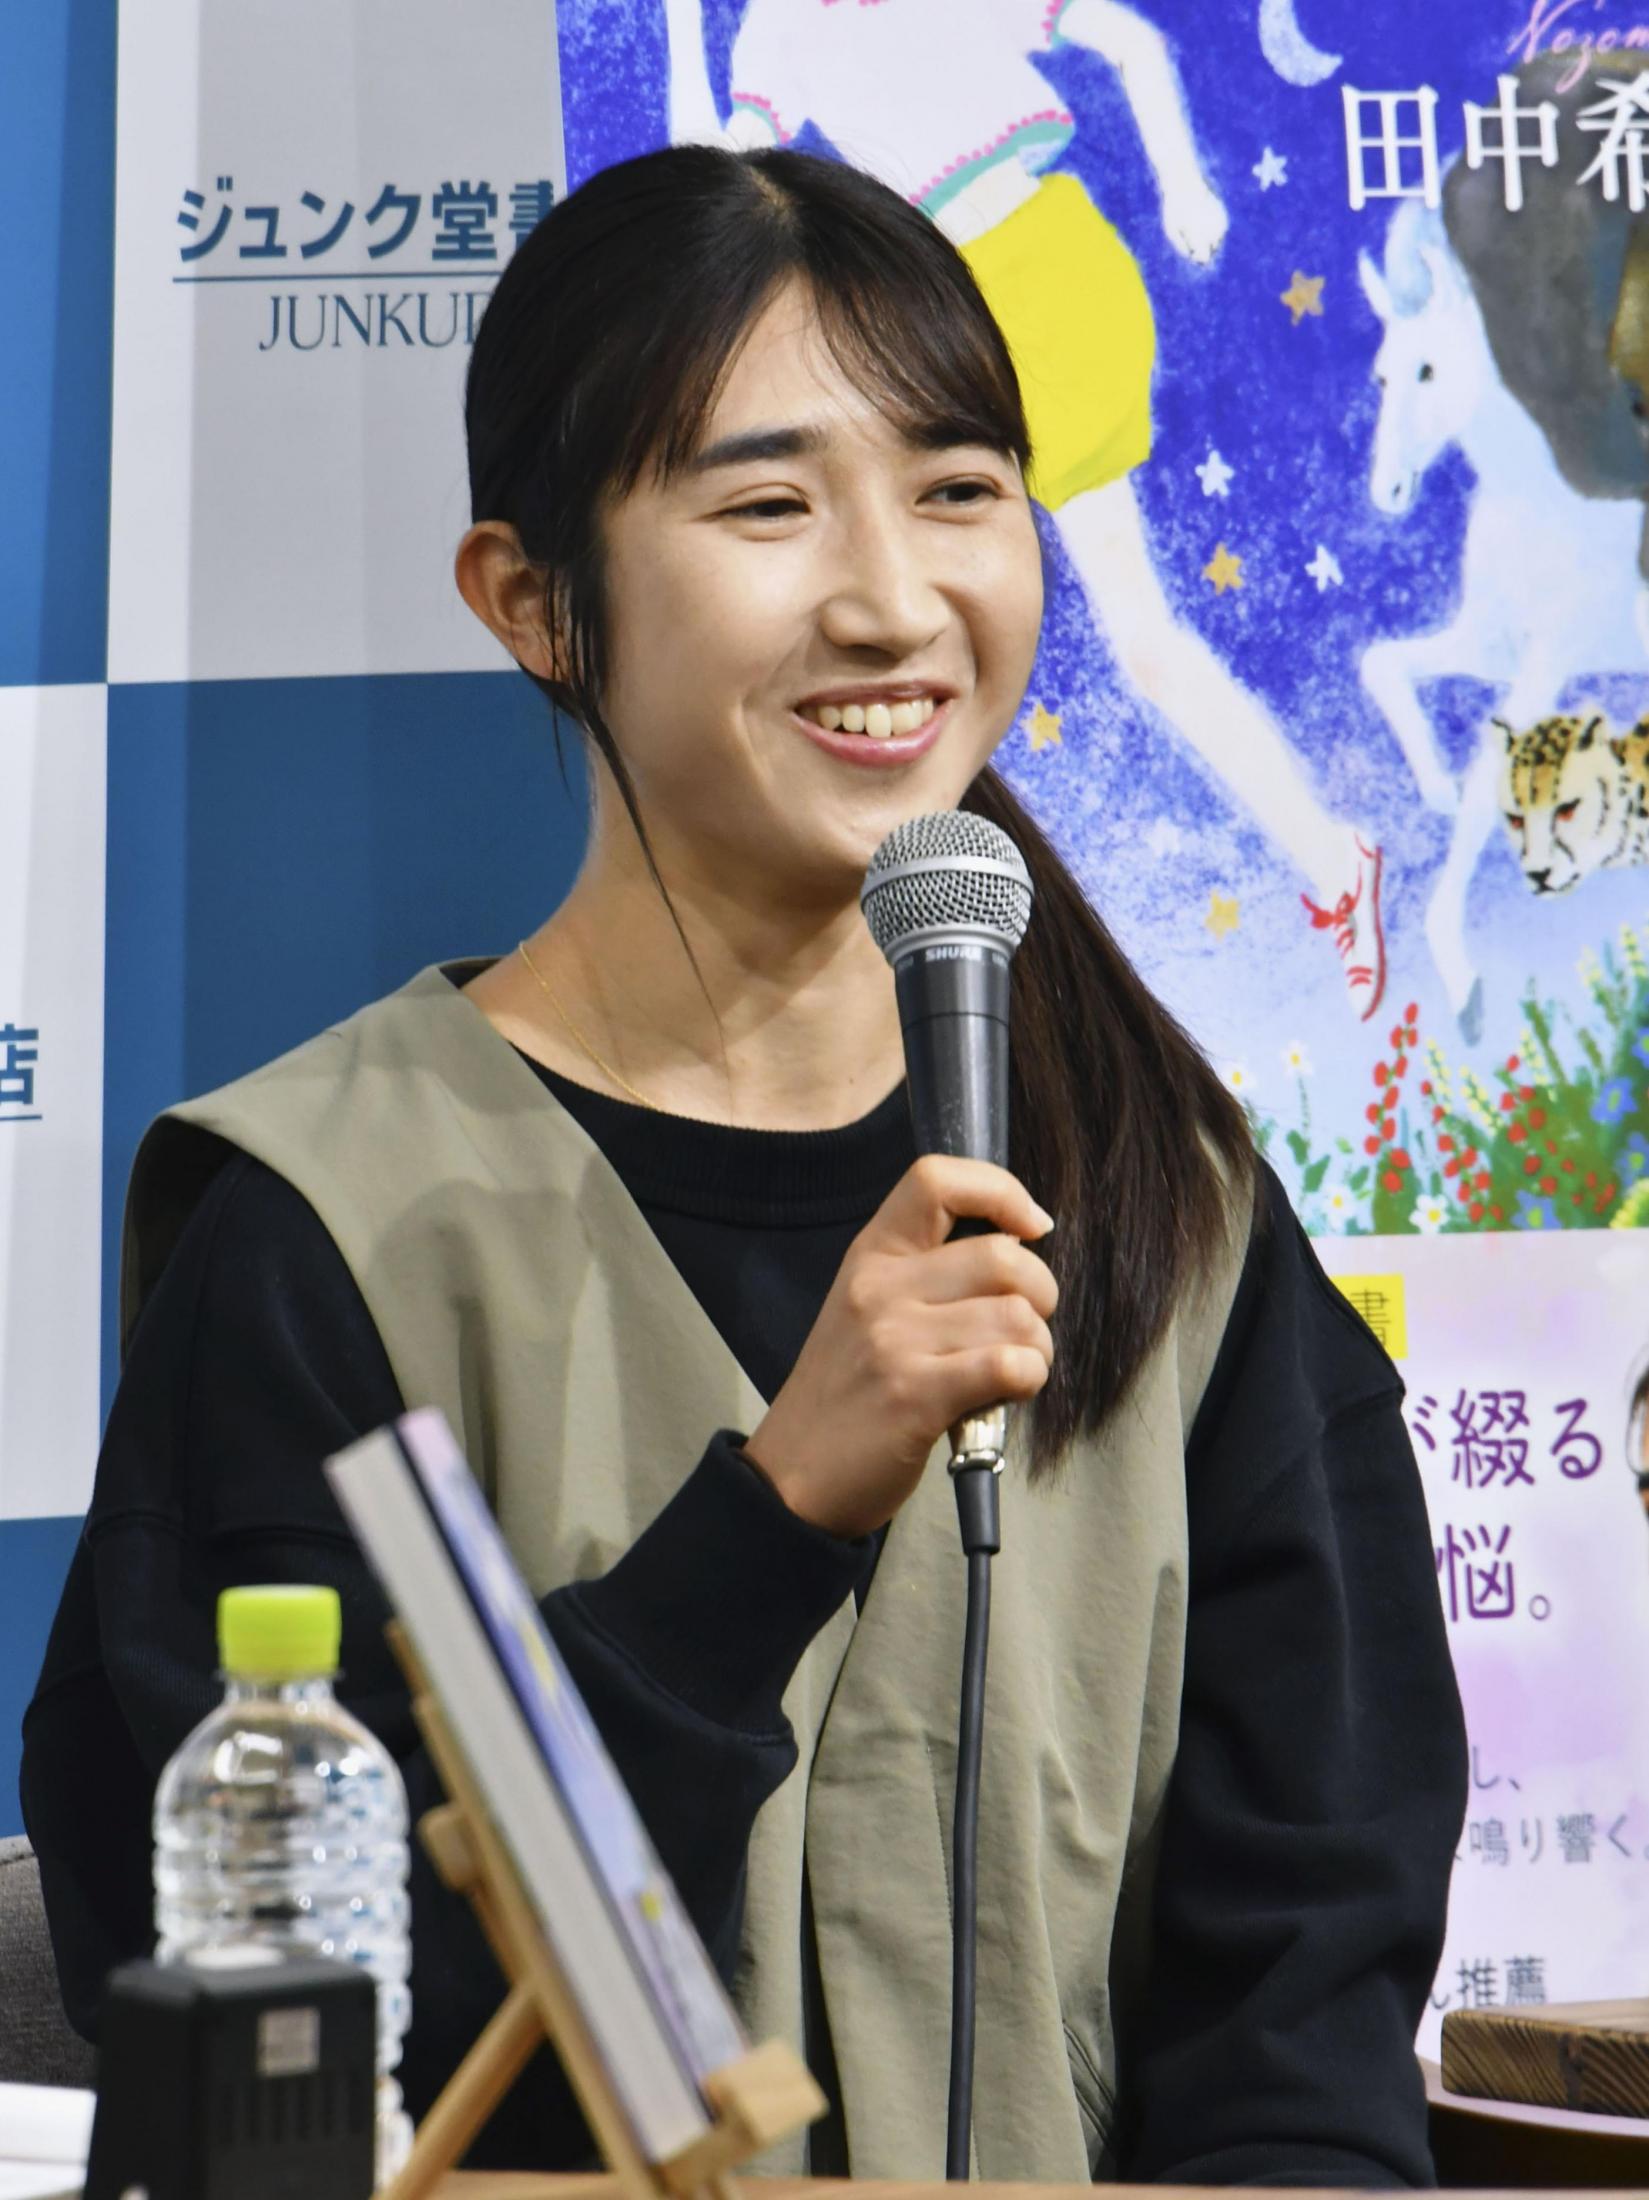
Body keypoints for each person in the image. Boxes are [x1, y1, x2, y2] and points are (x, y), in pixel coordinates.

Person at [21, 144, 1466, 2184]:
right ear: (531, 599)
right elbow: (254, 2029)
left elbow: (1302, 2004)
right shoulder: (323, 1227)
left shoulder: (1172, 1207)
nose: (890, 599)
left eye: (955, 488)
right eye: (768, 505)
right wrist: (767, 1520)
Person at [664, 0, 1392, 1019]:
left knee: (1117, 641)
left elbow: (1132, 44)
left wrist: (1184, 186)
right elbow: (709, 182)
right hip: (938, 330)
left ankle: (1321, 858)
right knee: (929, 642)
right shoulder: (776, 29)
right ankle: (1315, 858)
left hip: (1046, 285)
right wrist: (677, 23)